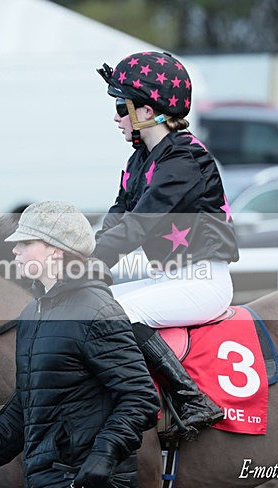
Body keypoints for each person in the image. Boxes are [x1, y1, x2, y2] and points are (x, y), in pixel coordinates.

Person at [0, 201, 160, 488]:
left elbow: (140, 397)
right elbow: (28, 401)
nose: (15, 251)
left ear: (55, 250)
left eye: (25, 244)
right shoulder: (34, 313)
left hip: (88, 485)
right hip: (54, 482)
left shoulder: (95, 310)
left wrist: (103, 456)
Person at [95, 51, 240, 440]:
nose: (116, 117)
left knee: (111, 315)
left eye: (120, 107)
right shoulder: (141, 158)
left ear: (146, 110)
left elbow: (139, 226)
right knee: (94, 305)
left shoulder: (184, 159)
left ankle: (192, 399)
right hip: (171, 279)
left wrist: (89, 265)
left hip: (203, 283)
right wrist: (80, 259)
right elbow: (118, 217)